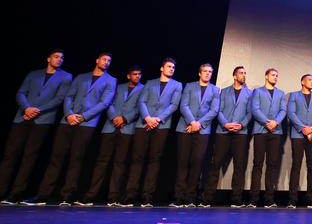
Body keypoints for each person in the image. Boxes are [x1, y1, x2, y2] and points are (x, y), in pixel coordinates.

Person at [23, 52, 117, 206]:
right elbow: (68, 96)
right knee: (56, 157)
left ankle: (67, 195)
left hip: (87, 123)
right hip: (67, 121)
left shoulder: (111, 80)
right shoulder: (81, 77)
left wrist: (83, 116)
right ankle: (43, 195)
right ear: (97, 60)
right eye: (104, 59)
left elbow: (104, 103)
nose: (106, 62)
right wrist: (69, 114)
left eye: (109, 61)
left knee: (76, 159)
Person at [0, 50, 72, 205]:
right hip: (22, 117)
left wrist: (37, 110)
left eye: (62, 58)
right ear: (48, 58)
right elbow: (21, 93)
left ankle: (15, 194)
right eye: (56, 57)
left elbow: (59, 99)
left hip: (42, 119)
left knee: (29, 157)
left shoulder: (66, 76)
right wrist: (27, 108)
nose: (59, 60)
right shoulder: (34, 74)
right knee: (10, 155)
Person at [76, 65, 144, 206]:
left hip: (127, 129)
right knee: (102, 162)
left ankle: (113, 197)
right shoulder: (119, 87)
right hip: (110, 127)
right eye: (135, 74)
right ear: (128, 76)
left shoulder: (143, 89)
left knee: (119, 163)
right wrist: (114, 118)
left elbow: (139, 108)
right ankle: (90, 196)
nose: (137, 76)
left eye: (139, 74)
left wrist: (124, 119)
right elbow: (109, 104)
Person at [123, 57, 182, 207]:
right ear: (162, 68)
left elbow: (174, 105)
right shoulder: (150, 83)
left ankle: (147, 196)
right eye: (169, 67)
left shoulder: (177, 85)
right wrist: (148, 118)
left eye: (173, 68)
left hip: (161, 125)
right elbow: (142, 101)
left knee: (154, 160)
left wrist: (157, 119)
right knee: (137, 158)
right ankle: (130, 195)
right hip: (143, 124)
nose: (171, 69)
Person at [201, 66, 252, 208]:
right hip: (223, 132)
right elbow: (218, 110)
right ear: (235, 76)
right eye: (241, 73)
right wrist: (226, 124)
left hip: (240, 133)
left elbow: (250, 113)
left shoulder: (249, 93)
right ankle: (208, 198)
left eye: (245, 73)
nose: (244, 75)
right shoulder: (223, 92)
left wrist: (241, 125)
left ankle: (236, 199)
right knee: (215, 164)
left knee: (239, 166)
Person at [171, 63, 220, 207]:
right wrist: (192, 122)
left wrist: (199, 124)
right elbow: (183, 105)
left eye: (210, 72)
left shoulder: (215, 90)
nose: (207, 74)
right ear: (199, 73)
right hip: (185, 128)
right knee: (183, 162)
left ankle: (190, 196)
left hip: (202, 130)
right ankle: (178, 197)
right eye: (205, 71)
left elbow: (214, 110)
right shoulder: (190, 86)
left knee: (197, 162)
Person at [249, 67, 287, 208]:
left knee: (272, 164)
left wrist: (275, 122)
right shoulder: (258, 91)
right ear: (266, 76)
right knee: (257, 164)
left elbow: (283, 110)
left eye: (277, 75)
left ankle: (269, 199)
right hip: (260, 131)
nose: (275, 77)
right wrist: (267, 122)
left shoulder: (281, 93)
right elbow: (255, 109)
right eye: (273, 75)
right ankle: (253, 198)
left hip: (275, 132)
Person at [286, 74, 312, 208]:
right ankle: (292, 199)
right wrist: (303, 129)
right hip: (298, 135)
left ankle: (311, 199)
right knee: (296, 166)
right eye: (310, 80)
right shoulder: (294, 96)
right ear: (302, 82)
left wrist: (311, 128)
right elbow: (291, 113)